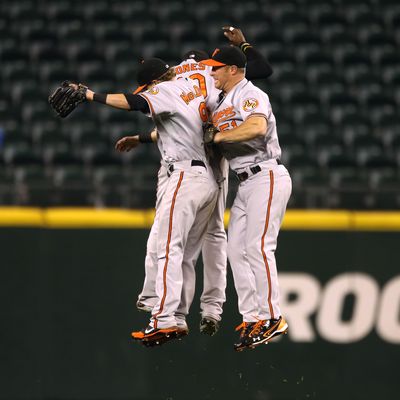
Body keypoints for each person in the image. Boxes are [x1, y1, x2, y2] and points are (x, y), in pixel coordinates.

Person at [116, 27, 274, 337]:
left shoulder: (184, 82)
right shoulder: (212, 84)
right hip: (216, 159)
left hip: (198, 162)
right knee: (211, 235)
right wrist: (243, 44)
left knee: (176, 240)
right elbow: (262, 70)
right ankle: (208, 309)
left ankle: (164, 307)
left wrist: (137, 134)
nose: (208, 73)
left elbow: (169, 118)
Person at [77, 58, 219, 345]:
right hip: (207, 181)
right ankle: (177, 317)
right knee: (186, 255)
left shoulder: (163, 89)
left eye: (147, 87)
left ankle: (163, 318)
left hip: (184, 176)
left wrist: (91, 95)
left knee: (168, 249)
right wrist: (141, 138)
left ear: (154, 81)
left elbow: (134, 102)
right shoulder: (191, 88)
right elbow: (178, 126)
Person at [201, 46, 292, 351]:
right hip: (245, 183)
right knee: (236, 249)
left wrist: (219, 137)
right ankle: (253, 316)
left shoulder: (249, 93)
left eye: (217, 67)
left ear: (233, 69)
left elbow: (257, 126)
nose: (211, 72)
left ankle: (273, 316)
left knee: (258, 246)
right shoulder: (220, 101)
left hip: (265, 175)